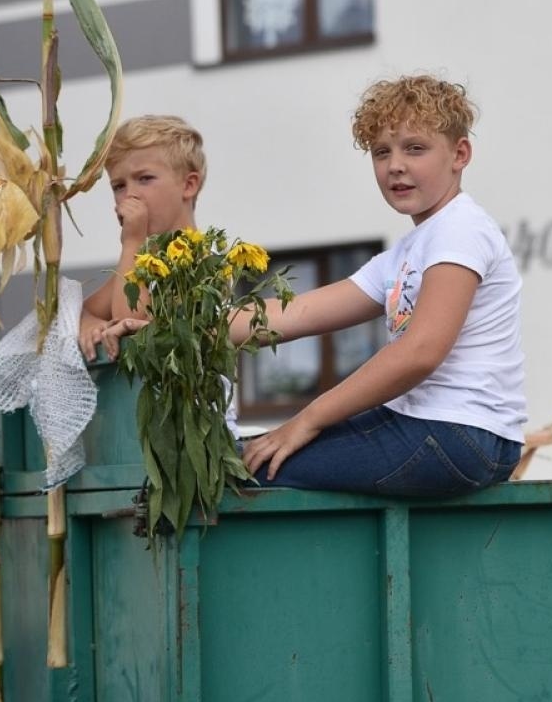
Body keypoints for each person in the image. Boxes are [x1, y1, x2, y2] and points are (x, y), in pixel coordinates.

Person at [214, 73, 526, 495]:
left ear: (460, 154)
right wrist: (184, 328)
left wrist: (307, 419)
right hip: (441, 430)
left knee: (238, 467)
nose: (395, 165)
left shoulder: (461, 229)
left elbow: (420, 351)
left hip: (456, 431)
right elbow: (297, 313)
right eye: (382, 152)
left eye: (415, 148)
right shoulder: (407, 253)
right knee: (245, 454)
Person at [77, 115, 206, 361]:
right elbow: (80, 311)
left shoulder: (204, 262)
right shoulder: (147, 257)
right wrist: (90, 324)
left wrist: (132, 243)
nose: (130, 195)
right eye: (119, 186)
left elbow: (131, 328)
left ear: (189, 185)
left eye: (145, 179)